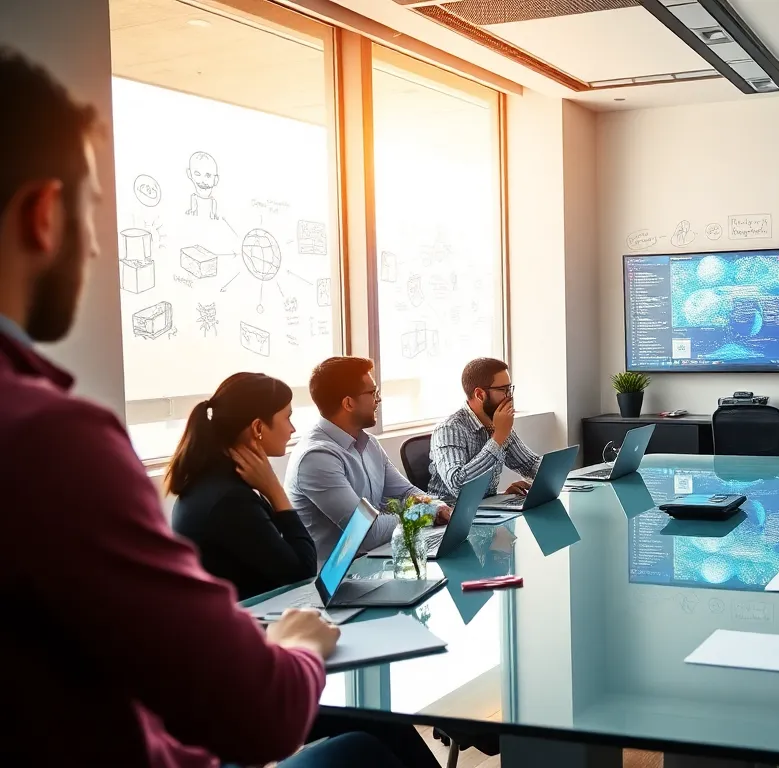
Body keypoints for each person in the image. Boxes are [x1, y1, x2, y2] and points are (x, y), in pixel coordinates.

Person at [0, 48, 403, 767]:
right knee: (374, 750)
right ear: (44, 215)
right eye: (93, 212)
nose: (94, 250)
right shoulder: (51, 444)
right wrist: (298, 646)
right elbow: (260, 717)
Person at [167, 373, 316, 600]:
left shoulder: (213, 480)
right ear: (258, 427)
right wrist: (275, 491)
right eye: (287, 418)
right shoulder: (230, 500)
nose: (292, 429)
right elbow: (302, 572)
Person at [285, 356, 449, 560]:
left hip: (378, 559)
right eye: (372, 393)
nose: (378, 399)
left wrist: (437, 506)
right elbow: (366, 533)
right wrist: (428, 514)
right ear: (348, 403)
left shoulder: (369, 443)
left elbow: (405, 493)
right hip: (341, 581)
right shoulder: (317, 458)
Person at [427, 357, 541, 503]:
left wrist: (505, 496)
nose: (510, 397)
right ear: (480, 395)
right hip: (450, 517)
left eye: (510, 389)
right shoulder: (449, 429)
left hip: (487, 512)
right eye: (503, 390)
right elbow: (458, 485)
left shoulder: (497, 423)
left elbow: (530, 465)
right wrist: (498, 437)